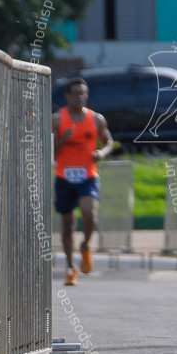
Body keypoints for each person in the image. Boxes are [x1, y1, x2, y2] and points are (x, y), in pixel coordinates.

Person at [54, 77, 113, 286]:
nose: (80, 97)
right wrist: (62, 139)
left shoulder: (96, 119)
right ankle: (70, 268)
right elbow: (50, 150)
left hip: (88, 174)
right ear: (67, 96)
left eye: (83, 93)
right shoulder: (58, 119)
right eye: (76, 93)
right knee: (67, 225)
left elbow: (108, 142)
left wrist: (101, 153)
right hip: (64, 175)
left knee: (90, 214)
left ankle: (86, 246)